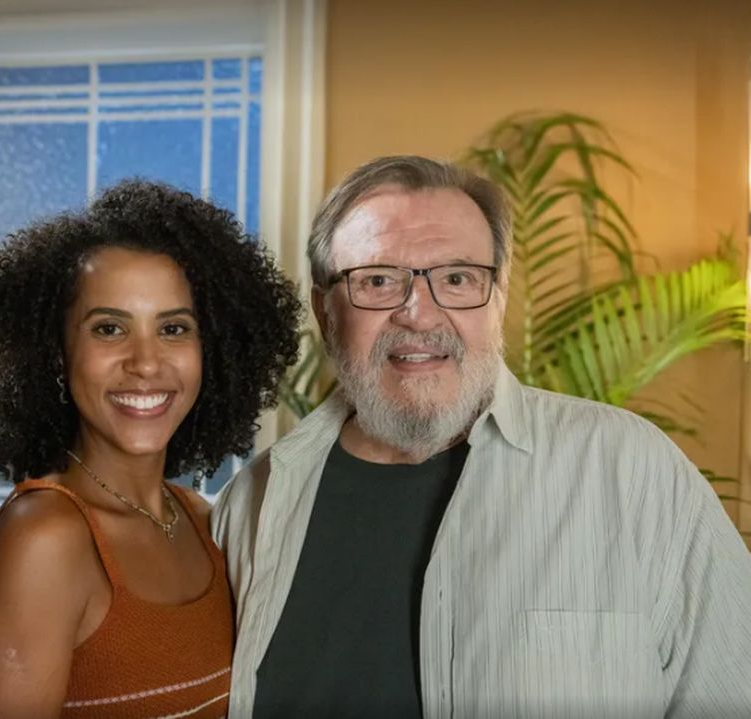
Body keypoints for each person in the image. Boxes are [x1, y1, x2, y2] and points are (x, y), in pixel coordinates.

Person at [213, 155, 751, 718]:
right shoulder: (252, 502)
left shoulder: (631, 471)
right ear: (326, 312)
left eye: (457, 278)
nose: (419, 316)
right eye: (377, 280)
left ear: (498, 300)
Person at [0, 180, 301, 718]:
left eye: (174, 328)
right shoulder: (46, 536)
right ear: (55, 355)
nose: (145, 362)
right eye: (109, 328)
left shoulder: (205, 522)